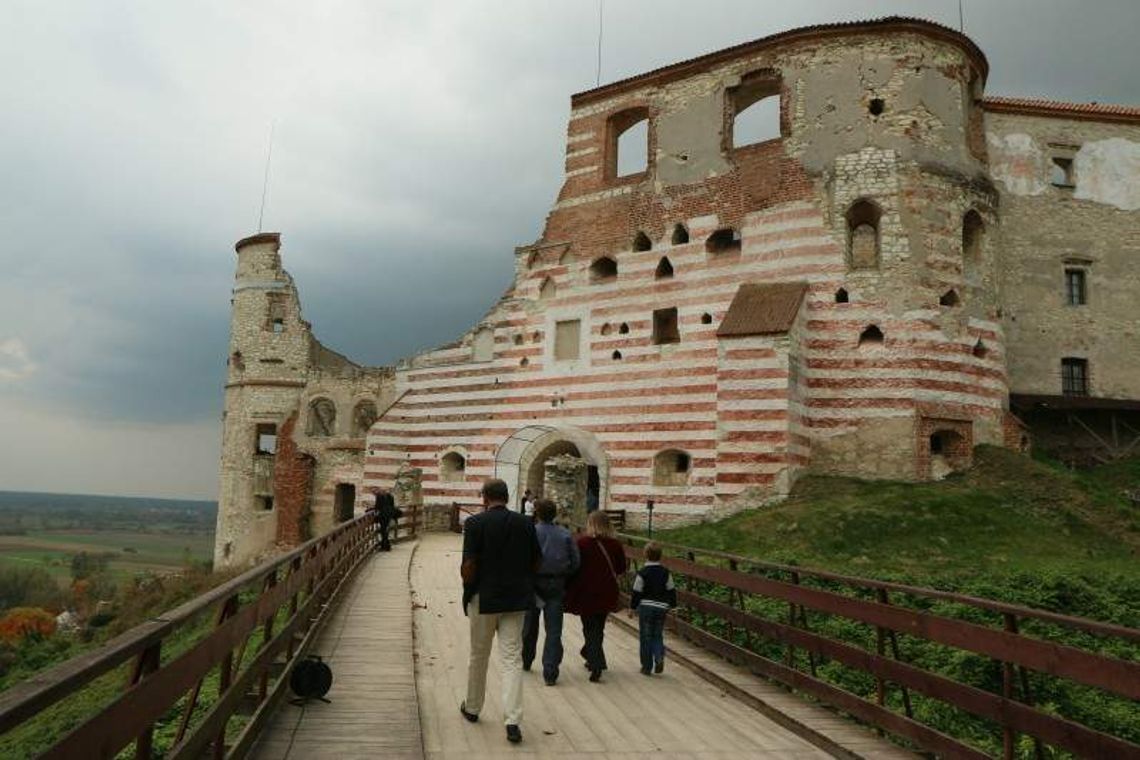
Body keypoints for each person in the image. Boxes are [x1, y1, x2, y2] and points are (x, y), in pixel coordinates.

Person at [459, 478, 541, 745]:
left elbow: (469, 565)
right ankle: (512, 720)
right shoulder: (525, 523)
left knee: (479, 654)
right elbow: (536, 561)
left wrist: (468, 589)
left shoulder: (474, 523)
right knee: (512, 659)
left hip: (484, 597)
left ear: (485, 498)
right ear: (506, 497)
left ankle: (472, 708)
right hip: (516, 599)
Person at [521, 498, 579, 686]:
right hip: (556, 583)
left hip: (533, 583)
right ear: (554, 514)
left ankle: (527, 659)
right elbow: (576, 562)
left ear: (537, 513)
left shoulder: (530, 532)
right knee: (554, 630)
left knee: (529, 625)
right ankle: (550, 671)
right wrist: (565, 576)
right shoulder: (565, 534)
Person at [564, 510, 626, 683]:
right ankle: (592, 655)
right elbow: (621, 568)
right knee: (598, 626)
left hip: (586, 591)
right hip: (607, 590)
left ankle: (595, 661)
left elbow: (575, 566)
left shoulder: (582, 543)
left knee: (589, 626)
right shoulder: (615, 544)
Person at [630, 541, 677, 675]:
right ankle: (659, 656)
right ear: (660, 556)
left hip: (646, 607)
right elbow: (671, 590)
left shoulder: (642, 572)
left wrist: (632, 608)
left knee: (645, 636)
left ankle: (646, 666)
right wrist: (673, 606)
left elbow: (636, 592)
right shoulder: (665, 572)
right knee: (657, 634)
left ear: (645, 555)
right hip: (662, 607)